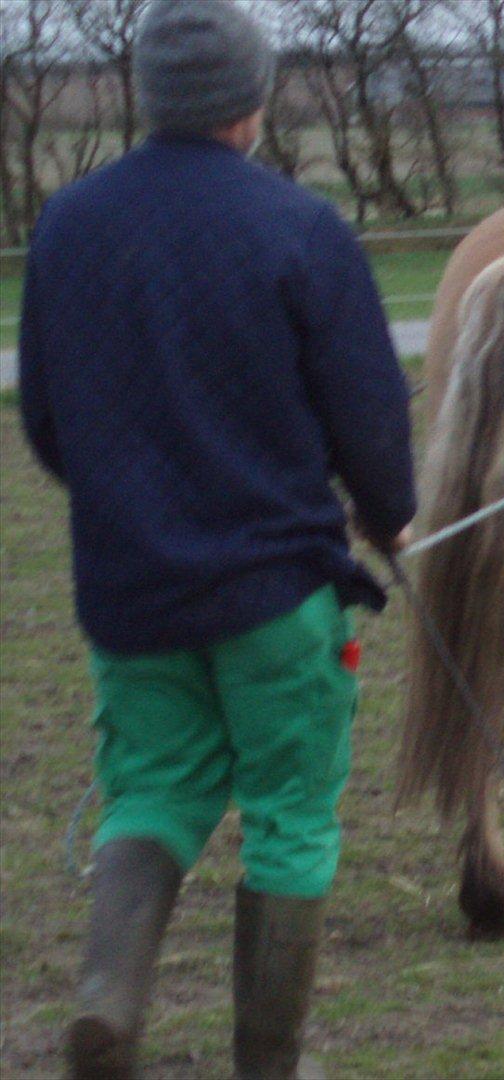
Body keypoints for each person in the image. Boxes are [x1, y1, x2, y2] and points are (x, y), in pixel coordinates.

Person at [17, 1, 416, 1076]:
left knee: (149, 793)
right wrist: (390, 515)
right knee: (289, 816)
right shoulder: (300, 227)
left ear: (152, 95)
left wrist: (127, 504)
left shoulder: (66, 226)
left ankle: (109, 1003)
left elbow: (47, 421)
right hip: (277, 595)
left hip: (130, 595)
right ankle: (267, 1065)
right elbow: (368, 413)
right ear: (250, 100)